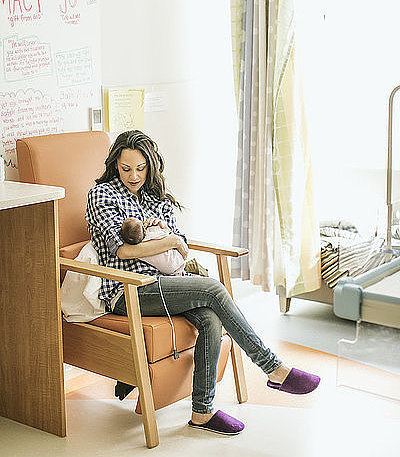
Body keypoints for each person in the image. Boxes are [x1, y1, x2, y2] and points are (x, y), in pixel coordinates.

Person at [85, 130, 320, 436]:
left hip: (168, 283)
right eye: (126, 168)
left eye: (140, 168)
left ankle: (202, 412)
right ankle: (273, 368)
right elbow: (123, 249)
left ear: (150, 166)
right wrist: (167, 239)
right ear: (115, 163)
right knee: (213, 289)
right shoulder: (102, 195)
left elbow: (182, 243)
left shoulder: (155, 197)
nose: (133, 175)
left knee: (210, 319)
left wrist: (170, 240)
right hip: (128, 289)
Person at [120, 216, 186, 275]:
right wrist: (163, 227)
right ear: (144, 230)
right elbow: (168, 234)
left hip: (168, 270)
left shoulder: (138, 251)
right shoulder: (151, 234)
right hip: (176, 262)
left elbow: (178, 236)